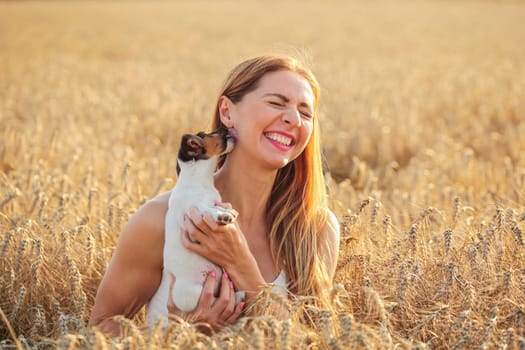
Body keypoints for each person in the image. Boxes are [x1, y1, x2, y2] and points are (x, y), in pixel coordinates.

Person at [88, 54, 340, 336]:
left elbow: (311, 340)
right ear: (227, 112)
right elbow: (99, 330)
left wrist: (240, 263)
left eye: (306, 113)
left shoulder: (315, 229)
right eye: (276, 103)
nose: (293, 118)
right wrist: (180, 337)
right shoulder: (161, 220)